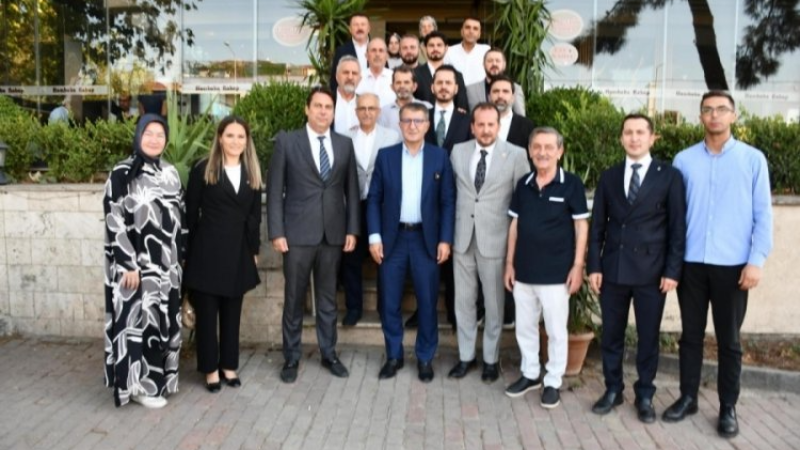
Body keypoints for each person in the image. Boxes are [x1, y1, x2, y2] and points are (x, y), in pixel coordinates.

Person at [663, 91, 773, 438]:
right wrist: (672, 262)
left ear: (734, 116)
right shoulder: (683, 160)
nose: (714, 115)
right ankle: (688, 398)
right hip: (692, 263)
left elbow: (763, 215)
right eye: (708, 110)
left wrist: (756, 261)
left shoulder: (752, 160)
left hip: (733, 266)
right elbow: (674, 216)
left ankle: (728, 407)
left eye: (721, 109)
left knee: (729, 341)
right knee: (690, 337)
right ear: (700, 117)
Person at [588, 113, 686, 423]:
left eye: (640, 132)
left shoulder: (669, 176)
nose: (634, 138)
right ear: (621, 138)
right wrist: (594, 266)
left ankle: (645, 394)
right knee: (611, 335)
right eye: (628, 132)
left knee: (648, 337)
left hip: (652, 273)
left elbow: (677, 228)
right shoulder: (609, 176)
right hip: (613, 269)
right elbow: (597, 227)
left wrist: (672, 271)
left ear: (652, 137)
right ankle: (613, 389)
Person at [266, 87, 360, 384]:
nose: (323, 111)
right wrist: (277, 231)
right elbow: (275, 189)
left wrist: (352, 229)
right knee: (294, 298)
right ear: (307, 109)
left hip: (333, 234)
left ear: (333, 112)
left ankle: (329, 353)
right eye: (317, 106)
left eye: (328, 107)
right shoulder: (287, 142)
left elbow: (352, 190)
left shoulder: (344, 144)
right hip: (296, 235)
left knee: (328, 299)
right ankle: (291, 357)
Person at [366, 103, 455, 382]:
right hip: (392, 240)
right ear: (400, 125)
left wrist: (445, 239)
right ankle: (394, 355)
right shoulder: (386, 156)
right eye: (407, 121)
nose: (412, 126)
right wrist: (374, 236)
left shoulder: (440, 157)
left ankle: (425, 357)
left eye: (418, 121)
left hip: (425, 240)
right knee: (389, 302)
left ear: (427, 125)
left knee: (427, 302)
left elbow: (448, 201)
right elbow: (374, 199)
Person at [504, 127, 589, 409]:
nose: (542, 152)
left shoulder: (571, 184)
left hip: (556, 274)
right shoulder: (524, 184)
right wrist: (509, 263)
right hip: (524, 271)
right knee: (525, 327)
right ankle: (530, 373)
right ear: (530, 151)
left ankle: (552, 380)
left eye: (549, 147)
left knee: (555, 329)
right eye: (537, 147)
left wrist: (578, 266)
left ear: (559, 151)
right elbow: (515, 225)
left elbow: (581, 226)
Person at [103, 113, 183, 409]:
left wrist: (180, 262)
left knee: (164, 322)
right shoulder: (122, 173)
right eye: (148, 133)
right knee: (138, 323)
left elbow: (182, 220)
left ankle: (162, 381)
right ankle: (137, 387)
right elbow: (113, 219)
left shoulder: (171, 173)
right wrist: (127, 263)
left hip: (168, 268)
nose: (154, 139)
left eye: (160, 134)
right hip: (136, 269)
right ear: (138, 136)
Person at [448, 103, 528, 383]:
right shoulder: (458, 152)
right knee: (463, 302)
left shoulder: (516, 155)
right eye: (480, 124)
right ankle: (466, 356)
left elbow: (522, 204)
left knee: (494, 305)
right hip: (462, 238)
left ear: (498, 125)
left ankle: (491, 360)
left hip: (496, 241)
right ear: (472, 127)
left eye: (490, 124)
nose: (485, 130)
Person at [185, 116, 263, 393]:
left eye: (241, 136)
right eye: (230, 135)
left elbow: (254, 217)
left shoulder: (252, 171)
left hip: (238, 252)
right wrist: (188, 254)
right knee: (207, 315)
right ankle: (210, 370)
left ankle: (229, 366)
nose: (235, 141)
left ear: (247, 141)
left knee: (232, 313)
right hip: (207, 252)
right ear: (220, 138)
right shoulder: (203, 169)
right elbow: (190, 214)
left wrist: (254, 250)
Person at [340, 93, 401, 326]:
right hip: (353, 205)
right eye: (362, 108)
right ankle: (354, 308)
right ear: (356, 112)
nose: (367, 112)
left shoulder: (392, 136)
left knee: (384, 258)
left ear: (378, 111)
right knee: (351, 257)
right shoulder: (344, 138)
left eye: (371, 108)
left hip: (382, 206)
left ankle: (385, 308)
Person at [413, 32, 469, 112]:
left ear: (446, 48)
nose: (435, 49)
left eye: (439, 45)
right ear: (425, 49)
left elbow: (461, 105)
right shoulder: (414, 74)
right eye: (431, 45)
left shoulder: (457, 75)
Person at [466, 48, 526, 116]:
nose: (494, 64)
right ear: (483, 64)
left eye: (498, 61)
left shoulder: (516, 88)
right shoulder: (470, 90)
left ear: (504, 65)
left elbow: (520, 117)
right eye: (490, 61)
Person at [379, 65, 432, 135]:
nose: (402, 86)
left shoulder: (427, 108)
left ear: (414, 86)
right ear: (392, 87)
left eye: (406, 82)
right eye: (398, 82)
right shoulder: (384, 112)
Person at [489, 75, 535, 155]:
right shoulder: (475, 122)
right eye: (496, 91)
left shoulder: (526, 125)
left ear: (513, 97)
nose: (500, 96)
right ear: (489, 96)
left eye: (505, 91)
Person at [330, 13, 371, 93]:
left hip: (374, 98)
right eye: (356, 25)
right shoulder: (341, 51)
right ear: (350, 29)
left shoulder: (378, 50)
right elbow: (334, 80)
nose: (360, 28)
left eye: (363, 24)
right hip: (349, 97)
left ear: (369, 28)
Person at [445, 18, 491, 86]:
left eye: (475, 28)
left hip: (480, 91)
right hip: (455, 91)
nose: (471, 31)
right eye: (467, 27)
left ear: (479, 34)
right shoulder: (449, 51)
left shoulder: (486, 51)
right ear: (462, 31)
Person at [355, 38, 396, 107]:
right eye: (373, 50)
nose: (377, 54)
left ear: (387, 56)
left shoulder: (395, 77)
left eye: (381, 51)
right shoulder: (357, 78)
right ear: (366, 55)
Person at [333, 55, 362, 135]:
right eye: (346, 72)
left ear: (360, 79)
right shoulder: (328, 100)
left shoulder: (365, 103)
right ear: (337, 77)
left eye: (354, 73)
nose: (350, 77)